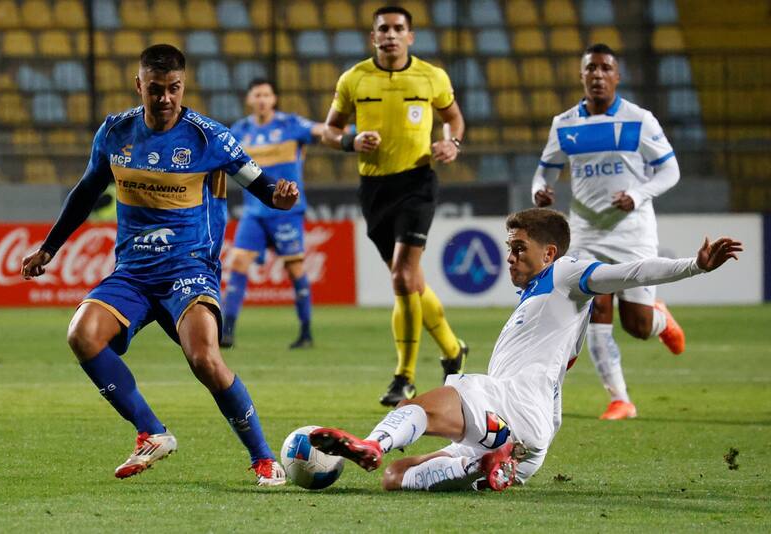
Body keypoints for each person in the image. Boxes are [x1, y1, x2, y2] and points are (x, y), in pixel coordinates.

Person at [309, 208, 742, 492]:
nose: (511, 257)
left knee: (433, 402)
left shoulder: (568, 274)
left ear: (549, 252)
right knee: (395, 478)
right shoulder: (539, 297)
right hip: (527, 443)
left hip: (514, 402)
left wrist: (694, 265)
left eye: (520, 248)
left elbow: (629, 272)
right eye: (509, 248)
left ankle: (374, 441)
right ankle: (485, 467)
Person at [20, 44, 298, 486]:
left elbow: (260, 184)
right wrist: (49, 248)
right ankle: (151, 431)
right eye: (155, 89)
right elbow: (86, 192)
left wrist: (279, 198)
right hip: (132, 272)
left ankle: (263, 457)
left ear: (183, 86)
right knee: (82, 335)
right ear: (139, 86)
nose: (165, 98)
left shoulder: (209, 137)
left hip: (189, 269)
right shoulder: (115, 133)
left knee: (205, 359)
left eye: (173, 89)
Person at [321, 5, 468, 406]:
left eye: (397, 28)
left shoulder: (431, 76)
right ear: (373, 37)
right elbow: (329, 131)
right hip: (374, 189)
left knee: (403, 277)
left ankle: (404, 376)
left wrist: (451, 143)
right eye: (382, 29)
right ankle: (454, 351)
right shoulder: (354, 79)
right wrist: (350, 141)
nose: (390, 34)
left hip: (417, 182)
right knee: (412, 281)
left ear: (410, 36)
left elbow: (454, 119)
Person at [531, 43, 685, 420]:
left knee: (637, 325)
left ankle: (659, 319)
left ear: (617, 76)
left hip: (633, 233)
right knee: (594, 304)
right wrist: (539, 189)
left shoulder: (639, 120)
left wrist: (637, 193)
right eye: (591, 69)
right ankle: (620, 399)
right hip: (585, 233)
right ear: (581, 75)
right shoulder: (564, 124)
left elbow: (670, 171)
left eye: (605, 68)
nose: (597, 75)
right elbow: (544, 170)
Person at [220, 78, 325, 350]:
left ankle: (306, 332)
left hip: (286, 213)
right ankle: (227, 331)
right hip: (254, 212)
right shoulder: (240, 131)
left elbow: (322, 130)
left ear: (274, 99)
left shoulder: (290, 125)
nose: (262, 99)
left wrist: (352, 134)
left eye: (267, 94)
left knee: (295, 269)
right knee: (238, 263)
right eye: (257, 95)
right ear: (249, 100)